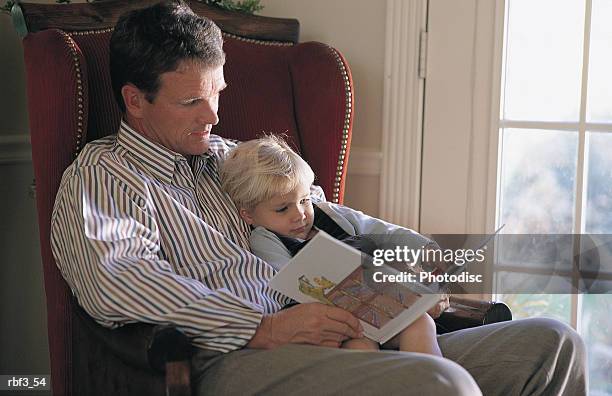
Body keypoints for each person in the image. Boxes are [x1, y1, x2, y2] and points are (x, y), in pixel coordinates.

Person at [49, 1, 587, 395]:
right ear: (135, 101)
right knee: (437, 382)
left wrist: (424, 266)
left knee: (551, 342)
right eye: (192, 102)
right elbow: (118, 283)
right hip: (231, 358)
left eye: (217, 95)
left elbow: (334, 217)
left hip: (342, 323)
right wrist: (265, 328)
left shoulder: (232, 155)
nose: (212, 117)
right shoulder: (105, 176)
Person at [219, 135, 442, 355]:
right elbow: (286, 285)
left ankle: (434, 384)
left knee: (421, 323)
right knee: (359, 346)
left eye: (304, 200)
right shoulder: (265, 239)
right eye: (282, 209)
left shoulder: (330, 213)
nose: (300, 215)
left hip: (383, 306)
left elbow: (388, 233)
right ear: (249, 215)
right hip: (337, 322)